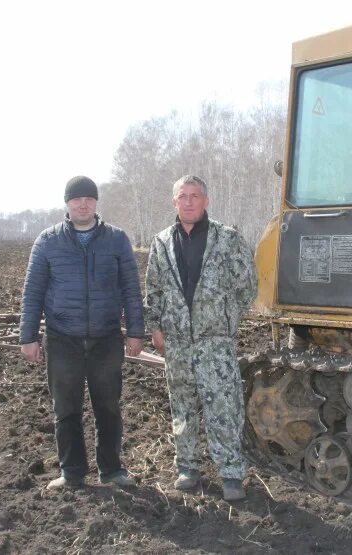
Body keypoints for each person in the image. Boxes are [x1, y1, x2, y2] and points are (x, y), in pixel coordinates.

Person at [19, 176, 144, 489]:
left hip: (106, 337)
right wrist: (28, 336)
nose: (83, 204)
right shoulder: (48, 242)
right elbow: (33, 291)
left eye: (89, 198)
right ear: (67, 203)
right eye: (77, 199)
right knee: (66, 408)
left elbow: (130, 288)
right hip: (63, 338)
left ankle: (112, 470)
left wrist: (135, 331)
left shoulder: (116, 240)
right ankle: (72, 472)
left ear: (96, 202)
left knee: (108, 406)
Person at [144, 175, 257, 502]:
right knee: (183, 408)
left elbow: (246, 286)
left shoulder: (227, 239)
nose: (189, 201)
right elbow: (153, 291)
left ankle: (232, 473)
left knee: (224, 406)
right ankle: (188, 468)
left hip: (214, 343)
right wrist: (156, 326)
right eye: (183, 196)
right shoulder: (161, 242)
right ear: (174, 202)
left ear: (205, 201)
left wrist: (225, 318)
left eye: (195, 196)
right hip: (178, 344)